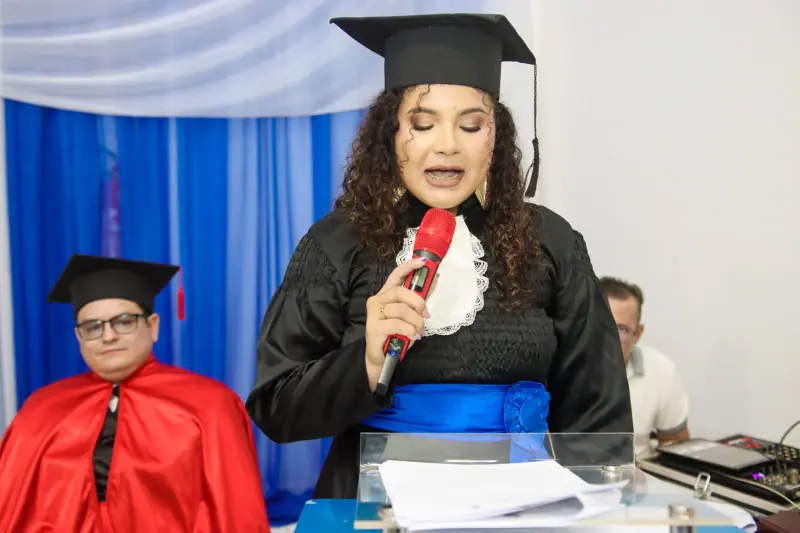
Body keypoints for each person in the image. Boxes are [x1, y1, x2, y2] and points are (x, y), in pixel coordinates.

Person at [246, 13, 634, 499]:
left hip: (518, 502)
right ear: (390, 134)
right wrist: (365, 361)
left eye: (471, 125)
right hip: (376, 504)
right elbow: (277, 409)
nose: (448, 146)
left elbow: (598, 413)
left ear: (495, 138)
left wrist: (594, 508)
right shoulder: (337, 242)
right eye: (423, 124)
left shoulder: (551, 241)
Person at [0, 254, 271, 532]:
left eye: (124, 321)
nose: (108, 336)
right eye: (92, 327)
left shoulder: (210, 404)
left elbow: (235, 512)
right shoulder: (42, 407)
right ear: (79, 338)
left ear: (152, 326)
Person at [600, 276, 691, 456]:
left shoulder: (661, 370)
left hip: (638, 469)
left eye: (621, 329)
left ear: (637, 334)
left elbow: (677, 446)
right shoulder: (551, 367)